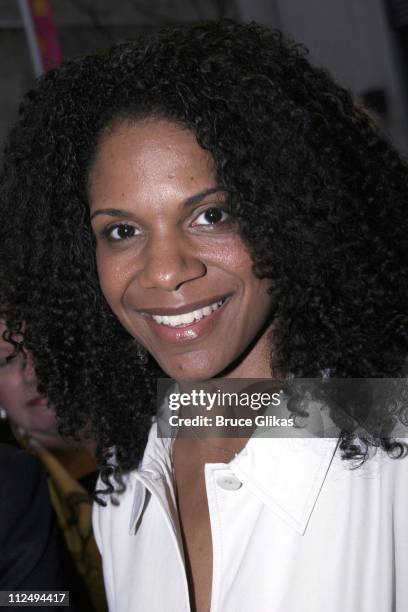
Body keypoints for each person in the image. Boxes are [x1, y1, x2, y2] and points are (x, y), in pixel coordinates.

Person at [1, 19, 408, 612]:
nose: (164, 270)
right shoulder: (127, 478)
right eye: (121, 230)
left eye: (210, 216)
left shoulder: (392, 454)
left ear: (291, 213)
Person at [0, 321, 107, 612]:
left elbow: (241, 403)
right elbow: (19, 597)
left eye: (46, 347)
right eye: (8, 359)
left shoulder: (174, 413)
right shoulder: (7, 483)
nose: (32, 373)